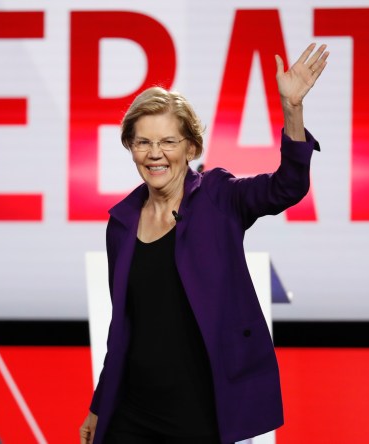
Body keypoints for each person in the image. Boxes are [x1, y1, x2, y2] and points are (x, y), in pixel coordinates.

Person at [80, 43, 328, 444]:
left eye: (168, 142)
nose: (155, 154)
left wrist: (292, 109)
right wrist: (99, 404)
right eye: (143, 142)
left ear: (191, 148)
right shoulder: (121, 224)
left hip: (199, 414)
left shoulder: (218, 197)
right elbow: (123, 326)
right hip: (131, 412)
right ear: (130, 147)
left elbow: (287, 186)